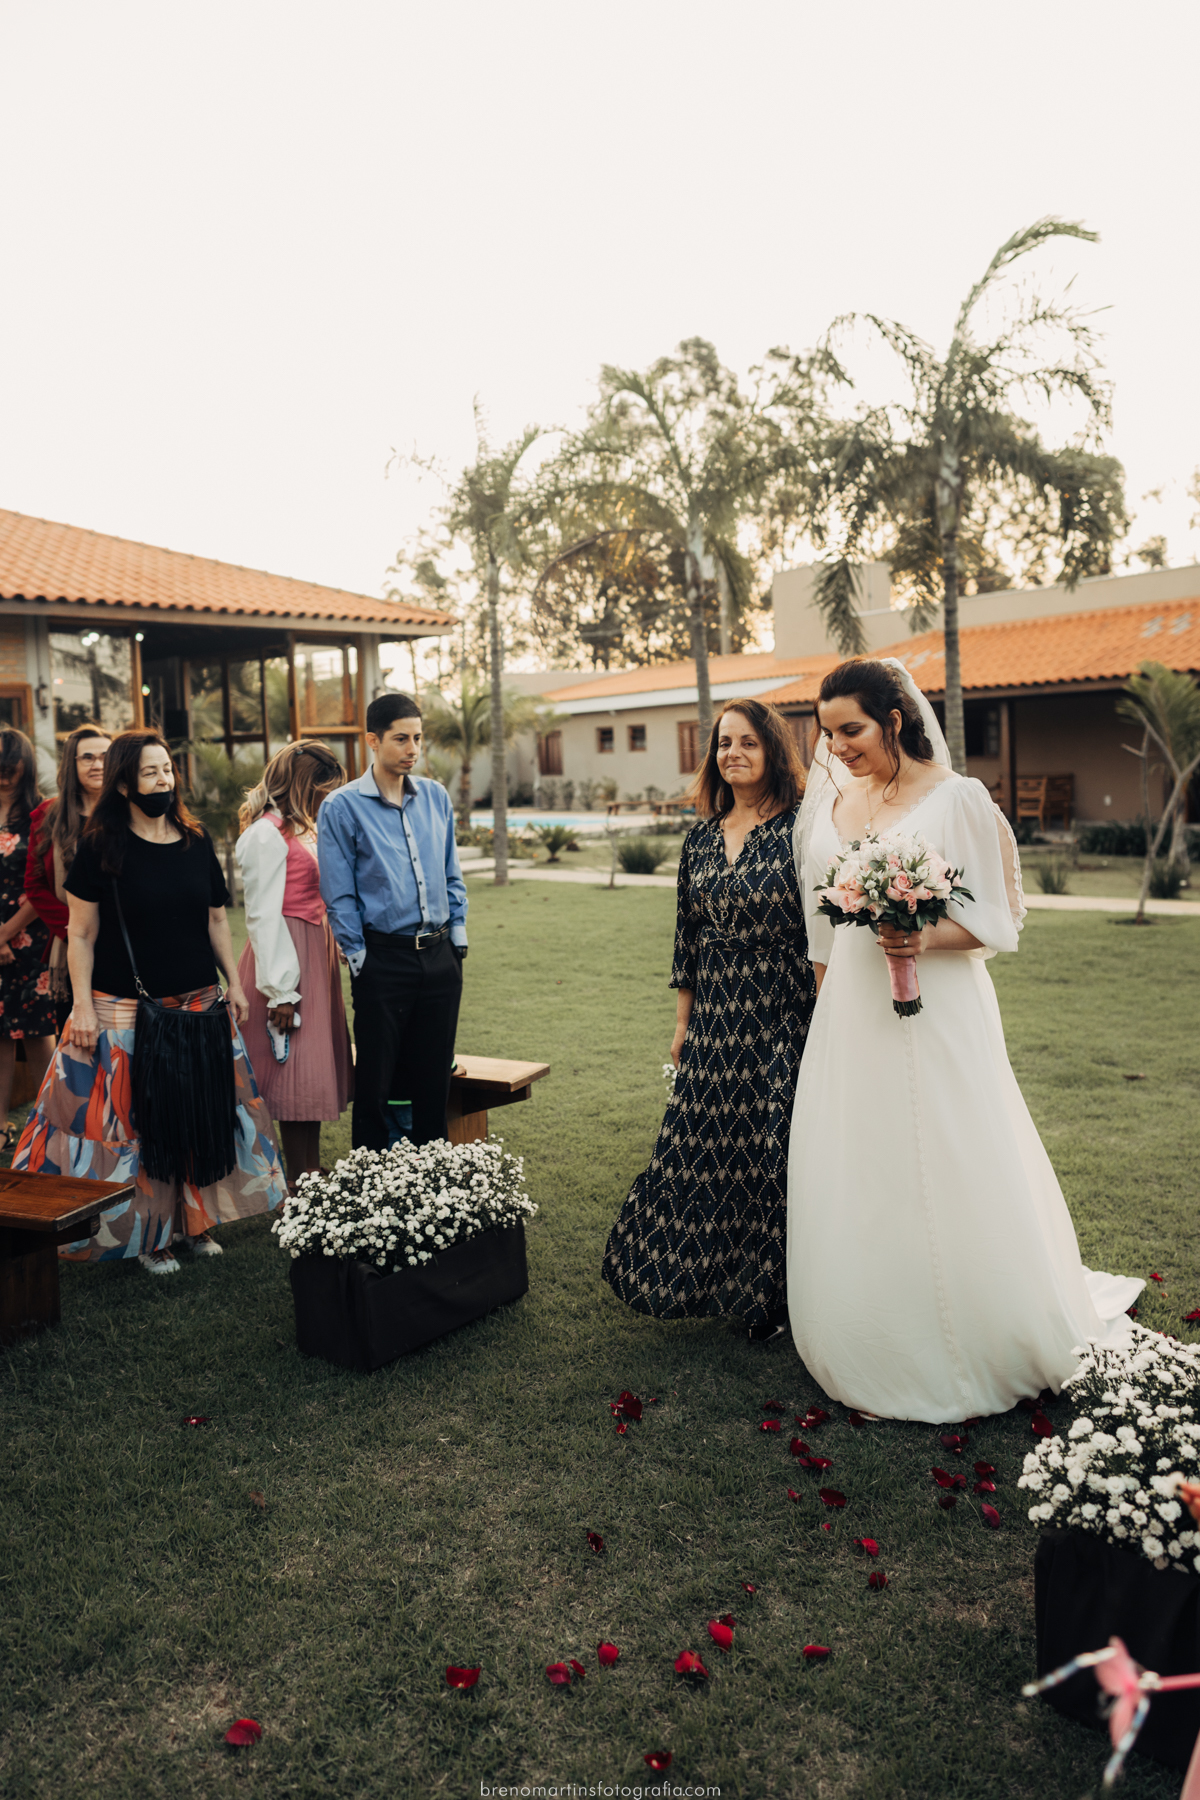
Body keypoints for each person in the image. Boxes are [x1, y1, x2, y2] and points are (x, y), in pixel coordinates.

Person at [787, 657, 1142, 1422]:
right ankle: (868, 1326)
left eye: (850, 730)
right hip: (850, 1006)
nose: (838, 747)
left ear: (893, 720)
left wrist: (917, 938)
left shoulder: (958, 799)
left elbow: (1000, 924)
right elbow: (821, 915)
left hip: (936, 1008)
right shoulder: (836, 799)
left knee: (944, 1149)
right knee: (865, 1159)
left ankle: (966, 1331)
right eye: (827, 734)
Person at [13, 728, 287, 1273]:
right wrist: (84, 1007)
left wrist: (233, 982)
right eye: (150, 772)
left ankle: (194, 1223)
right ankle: (150, 1236)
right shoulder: (99, 848)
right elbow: (82, 934)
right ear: (123, 785)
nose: (163, 780)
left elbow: (215, 919)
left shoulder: (195, 840)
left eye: (167, 770)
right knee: (139, 1125)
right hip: (126, 1008)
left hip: (199, 1005)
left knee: (197, 1114)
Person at [602, 700, 815, 1339]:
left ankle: (774, 1297)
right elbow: (686, 942)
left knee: (771, 1150)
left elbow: (824, 930)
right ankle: (709, 1279)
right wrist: (681, 1025)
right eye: (724, 744)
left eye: (748, 743)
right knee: (704, 1148)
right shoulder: (699, 837)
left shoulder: (804, 830)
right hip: (716, 1016)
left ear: (773, 751)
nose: (733, 754)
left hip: (782, 1010)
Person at [317, 692, 467, 1151]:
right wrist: (361, 957)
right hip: (383, 961)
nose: (412, 749)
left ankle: (432, 1181)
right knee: (376, 1085)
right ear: (372, 741)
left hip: (441, 958)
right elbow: (339, 894)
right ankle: (372, 1182)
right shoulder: (341, 808)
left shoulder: (436, 798)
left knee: (433, 1081)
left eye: (417, 738)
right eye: (401, 739)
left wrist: (457, 939)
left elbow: (451, 871)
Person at [235, 740, 353, 1182]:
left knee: (312, 1069)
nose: (328, 799)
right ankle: (298, 1175)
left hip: (315, 951)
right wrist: (281, 991)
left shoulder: (306, 829)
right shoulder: (265, 834)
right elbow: (262, 915)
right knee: (292, 1072)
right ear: (304, 785)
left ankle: (309, 1167)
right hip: (286, 958)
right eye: (323, 790)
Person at [25, 722, 112, 1018]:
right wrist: (75, 930)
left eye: (105, 756)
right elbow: (35, 885)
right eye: (88, 757)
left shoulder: (130, 814)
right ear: (71, 763)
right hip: (69, 944)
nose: (98, 764)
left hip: (124, 944)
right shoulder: (48, 817)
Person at [0, 728, 58, 1146]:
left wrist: (5, 933)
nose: (3, 776)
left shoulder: (42, 814)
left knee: (39, 1030)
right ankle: (0, 1124)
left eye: (10, 768)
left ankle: (52, 1125)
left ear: (26, 767)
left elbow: (44, 883)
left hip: (33, 937)